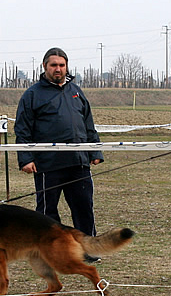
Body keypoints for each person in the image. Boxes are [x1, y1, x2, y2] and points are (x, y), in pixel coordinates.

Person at [14, 47, 104, 261]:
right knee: (47, 212)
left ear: (66, 67)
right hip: (48, 164)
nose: (58, 69)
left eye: (61, 65)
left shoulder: (77, 92)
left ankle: (87, 250)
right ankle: (51, 251)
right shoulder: (33, 95)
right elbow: (23, 129)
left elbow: (88, 124)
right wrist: (26, 158)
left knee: (84, 208)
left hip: (78, 163)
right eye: (53, 65)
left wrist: (94, 150)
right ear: (45, 66)